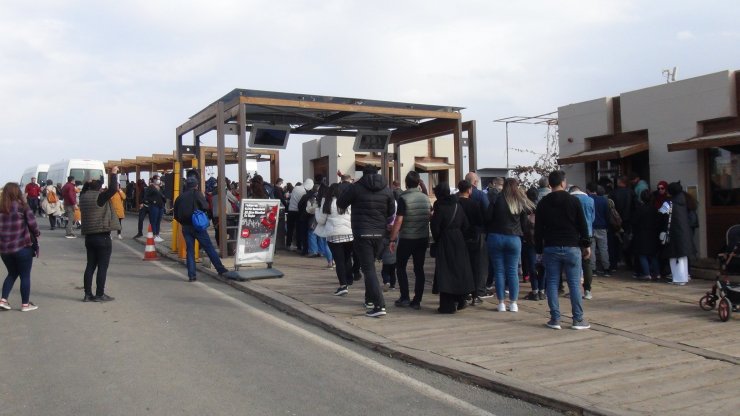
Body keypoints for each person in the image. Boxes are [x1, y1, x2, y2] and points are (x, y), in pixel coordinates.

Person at [535, 170, 591, 330]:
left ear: (550, 184)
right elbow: (583, 225)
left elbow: (538, 229)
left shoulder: (543, 203)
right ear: (563, 183)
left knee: (552, 282)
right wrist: (586, 244)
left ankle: (555, 319)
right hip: (572, 246)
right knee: (574, 283)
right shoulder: (573, 201)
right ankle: (578, 319)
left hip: (551, 246)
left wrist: (539, 250)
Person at [337, 166, 395, 318]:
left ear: (363, 174)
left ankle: (379, 305)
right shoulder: (387, 190)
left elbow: (341, 203)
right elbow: (391, 212)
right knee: (371, 268)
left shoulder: (356, 188)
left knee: (368, 269)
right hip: (379, 234)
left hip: (362, 233)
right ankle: (369, 300)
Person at [485, 178, 534, 312]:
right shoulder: (519, 200)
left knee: (499, 271)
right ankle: (513, 303)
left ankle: (501, 303)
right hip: (513, 238)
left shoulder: (496, 198)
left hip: (495, 236)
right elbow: (524, 224)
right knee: (512, 271)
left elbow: (488, 217)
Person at [389, 171, 431, 310]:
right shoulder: (425, 198)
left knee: (400, 267)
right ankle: (417, 300)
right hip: (422, 237)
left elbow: (399, 220)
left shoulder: (403, 198)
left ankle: (405, 297)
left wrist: (392, 239)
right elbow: (429, 215)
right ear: (419, 183)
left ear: (406, 183)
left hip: (407, 237)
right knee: (419, 269)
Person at [430, 182, 475, 313]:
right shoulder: (457, 205)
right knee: (459, 270)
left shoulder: (439, 206)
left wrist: (438, 238)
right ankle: (461, 299)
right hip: (458, 239)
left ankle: (447, 305)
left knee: (446, 272)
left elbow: (435, 227)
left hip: (445, 240)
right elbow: (465, 225)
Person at [173, 177, 229, 281]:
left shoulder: (180, 197)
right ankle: (220, 269)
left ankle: (191, 275)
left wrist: (183, 222)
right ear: (196, 185)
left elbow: (175, 215)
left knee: (190, 251)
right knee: (209, 248)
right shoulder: (197, 194)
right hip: (198, 226)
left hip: (185, 227)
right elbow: (206, 206)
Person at [79, 166, 121, 302]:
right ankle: (99, 294)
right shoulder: (100, 197)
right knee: (102, 267)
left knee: (90, 265)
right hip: (102, 236)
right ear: (99, 188)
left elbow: (86, 187)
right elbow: (114, 189)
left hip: (89, 237)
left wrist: (88, 182)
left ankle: (87, 294)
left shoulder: (83, 196)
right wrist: (114, 173)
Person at [0, 182, 41, 312]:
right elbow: (33, 225)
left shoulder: (1, 207)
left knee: (12, 273)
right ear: (17, 192)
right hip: (22, 246)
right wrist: (37, 234)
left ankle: (3, 300)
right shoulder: (22, 206)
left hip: (4, 249)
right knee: (25, 275)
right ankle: (25, 304)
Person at [316, 183, 354, 296]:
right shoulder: (347, 202)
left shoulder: (326, 202)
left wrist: (317, 210)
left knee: (339, 261)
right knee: (347, 258)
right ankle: (349, 279)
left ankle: (343, 286)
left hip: (334, 235)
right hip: (349, 233)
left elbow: (321, 221)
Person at [659, 182, 695, 285]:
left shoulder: (668, 203)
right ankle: (683, 278)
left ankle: (677, 278)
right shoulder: (684, 201)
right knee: (682, 257)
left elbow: (661, 213)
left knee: (673, 257)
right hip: (684, 233)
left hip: (673, 233)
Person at [456, 180, 486, 304]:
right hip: (472, 239)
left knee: (460, 266)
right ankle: (474, 295)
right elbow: (480, 222)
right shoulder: (474, 204)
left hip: (458, 238)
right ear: (469, 190)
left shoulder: (455, 203)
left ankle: (462, 293)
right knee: (475, 266)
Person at [569, 185, 595, 300]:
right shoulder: (590, 200)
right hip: (588, 234)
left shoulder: (570, 200)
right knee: (587, 262)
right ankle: (588, 290)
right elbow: (592, 217)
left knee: (574, 263)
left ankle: (575, 290)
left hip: (573, 235)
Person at [632, 190, 660, 280]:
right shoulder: (654, 209)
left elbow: (634, 222)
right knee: (653, 255)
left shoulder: (639, 209)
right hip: (653, 233)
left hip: (642, 234)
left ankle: (647, 273)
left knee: (642, 255)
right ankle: (657, 273)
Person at [587, 183, 611, 277]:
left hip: (591, 227)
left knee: (592, 249)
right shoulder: (604, 200)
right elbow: (607, 215)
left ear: (588, 190)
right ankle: (606, 268)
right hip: (602, 227)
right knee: (604, 248)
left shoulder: (588, 199)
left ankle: (593, 269)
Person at [286, 179, 309, 251]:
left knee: (290, 229)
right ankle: (299, 245)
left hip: (290, 211)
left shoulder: (295, 188)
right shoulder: (304, 192)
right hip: (298, 212)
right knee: (298, 229)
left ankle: (288, 244)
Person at [144, 175, 166, 242]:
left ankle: (157, 235)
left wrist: (162, 187)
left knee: (158, 221)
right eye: (157, 179)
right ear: (153, 180)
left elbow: (164, 194)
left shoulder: (160, 187)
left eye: (159, 179)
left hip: (161, 206)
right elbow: (146, 197)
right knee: (153, 221)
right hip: (154, 206)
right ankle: (154, 235)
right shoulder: (150, 187)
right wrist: (152, 201)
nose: (158, 180)